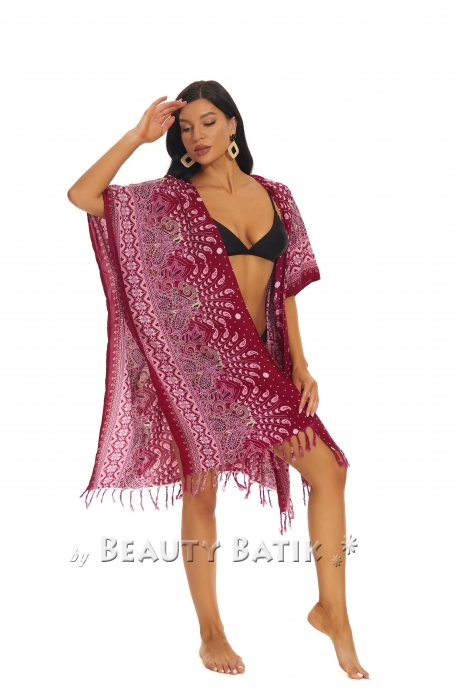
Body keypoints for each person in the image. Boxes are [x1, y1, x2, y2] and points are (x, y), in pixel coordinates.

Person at [67, 80, 369, 680]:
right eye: (185, 128)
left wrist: (300, 363)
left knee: (329, 471)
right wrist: (137, 136)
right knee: (201, 491)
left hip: (260, 363)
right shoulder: (171, 202)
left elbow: (285, 287)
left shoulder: (277, 195)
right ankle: (211, 632)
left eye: (207, 122)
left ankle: (332, 611)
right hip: (200, 367)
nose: (196, 136)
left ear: (233, 124)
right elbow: (83, 195)